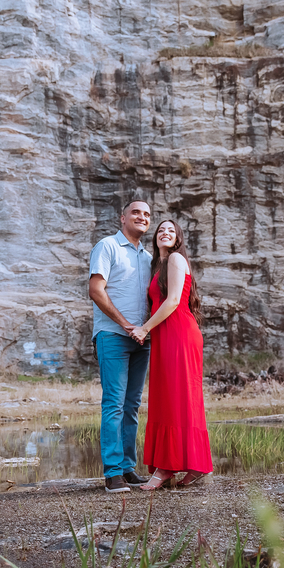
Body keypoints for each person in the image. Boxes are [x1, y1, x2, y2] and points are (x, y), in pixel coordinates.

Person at [129, 219, 212, 490]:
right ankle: (195, 465)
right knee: (172, 397)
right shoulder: (158, 266)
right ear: (155, 237)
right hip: (166, 335)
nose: (165, 233)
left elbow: (174, 300)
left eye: (171, 231)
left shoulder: (175, 259)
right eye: (161, 230)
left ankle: (166, 467)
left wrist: (144, 328)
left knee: (176, 397)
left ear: (178, 239)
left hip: (179, 334)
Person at [89, 199, 153, 493]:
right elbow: (96, 290)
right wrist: (126, 324)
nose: (142, 217)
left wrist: (145, 329)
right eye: (136, 212)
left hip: (142, 340)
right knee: (114, 403)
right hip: (113, 336)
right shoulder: (107, 246)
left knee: (132, 405)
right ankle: (112, 473)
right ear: (122, 218)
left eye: (147, 214)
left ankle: (128, 468)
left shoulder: (148, 258)